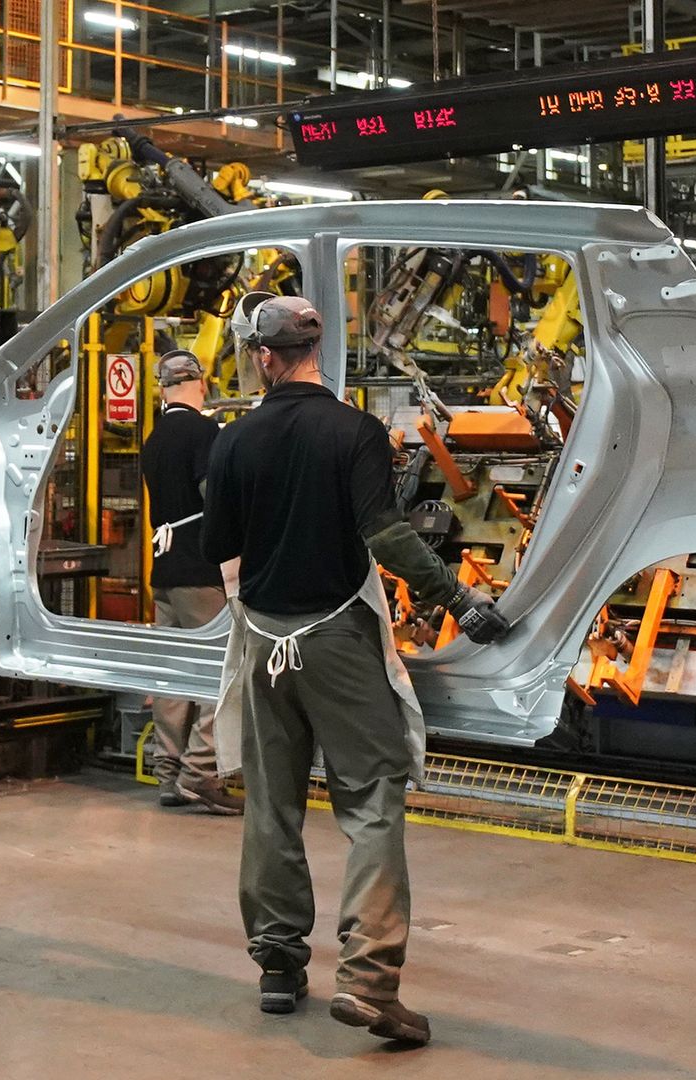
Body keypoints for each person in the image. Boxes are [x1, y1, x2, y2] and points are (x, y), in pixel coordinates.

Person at [202, 295, 510, 1046]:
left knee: (271, 802)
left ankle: (278, 968)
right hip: (337, 638)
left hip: (263, 642)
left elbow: (226, 556)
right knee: (372, 800)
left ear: (264, 357)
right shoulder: (357, 432)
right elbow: (387, 536)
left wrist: (256, 617)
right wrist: (459, 599)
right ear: (315, 352)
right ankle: (369, 983)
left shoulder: (234, 441)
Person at [140, 349, 241, 815]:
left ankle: (167, 772)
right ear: (199, 383)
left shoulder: (154, 438)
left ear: (164, 388)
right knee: (217, 671)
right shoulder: (203, 431)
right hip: (201, 571)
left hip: (163, 570)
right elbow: (211, 493)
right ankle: (200, 773)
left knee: (171, 674)